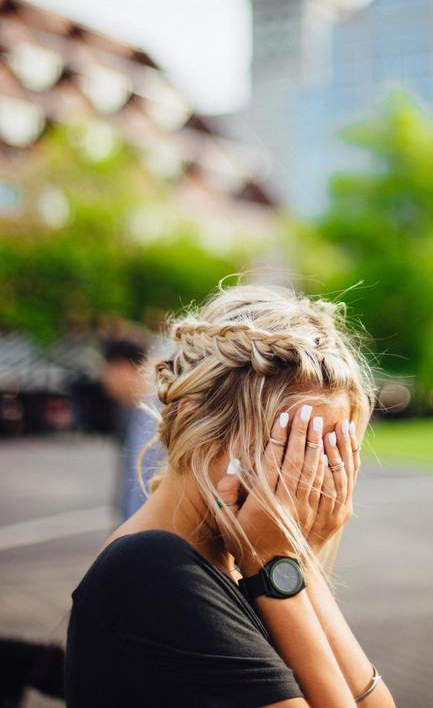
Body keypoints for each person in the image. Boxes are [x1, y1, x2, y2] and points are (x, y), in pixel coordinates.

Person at [65, 283, 396, 708]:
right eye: (289, 448)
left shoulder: (243, 553)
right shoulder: (151, 570)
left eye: (330, 452)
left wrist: (296, 562)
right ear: (196, 423)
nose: (310, 481)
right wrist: (276, 570)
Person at [101, 334, 162, 520]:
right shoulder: (138, 412)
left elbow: (141, 490)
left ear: (121, 367)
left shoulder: (151, 418)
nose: (104, 379)